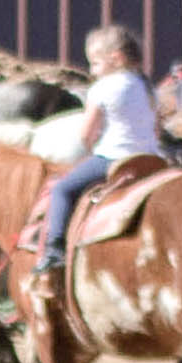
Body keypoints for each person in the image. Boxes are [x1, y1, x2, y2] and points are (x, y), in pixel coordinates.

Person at [34, 20, 163, 282]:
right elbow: (157, 128)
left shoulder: (103, 88)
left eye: (95, 63)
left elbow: (86, 133)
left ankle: (54, 250)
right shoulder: (148, 88)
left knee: (61, 189)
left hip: (114, 158)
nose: (92, 71)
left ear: (115, 59)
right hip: (153, 159)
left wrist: (93, 148)